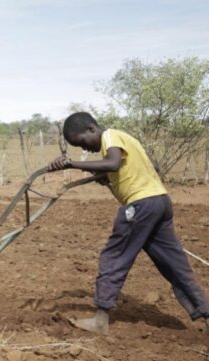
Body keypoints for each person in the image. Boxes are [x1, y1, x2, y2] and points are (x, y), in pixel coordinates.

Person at [47, 112, 209, 335]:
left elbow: (113, 164)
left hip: (141, 205)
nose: (86, 149)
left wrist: (71, 163)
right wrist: (106, 177)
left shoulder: (110, 136)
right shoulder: (128, 140)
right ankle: (206, 312)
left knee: (114, 256)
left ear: (92, 129)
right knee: (174, 264)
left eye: (83, 143)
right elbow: (148, 167)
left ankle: (100, 320)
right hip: (160, 202)